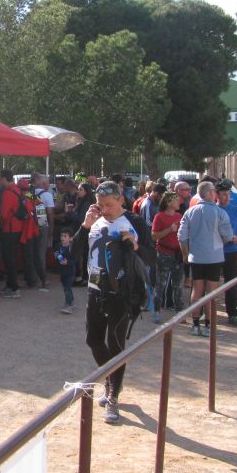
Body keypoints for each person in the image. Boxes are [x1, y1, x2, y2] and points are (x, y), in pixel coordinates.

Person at [72, 181, 154, 424]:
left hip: (123, 292)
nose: (105, 210)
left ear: (121, 200)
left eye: (109, 205)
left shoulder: (135, 221)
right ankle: (111, 379)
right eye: (100, 205)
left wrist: (136, 246)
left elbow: (152, 256)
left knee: (116, 344)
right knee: (93, 340)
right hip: (95, 289)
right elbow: (73, 253)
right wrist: (85, 227)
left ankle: (113, 396)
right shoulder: (94, 220)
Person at [177, 181, 234, 337]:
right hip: (214, 256)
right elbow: (228, 236)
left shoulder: (189, 212)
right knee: (211, 292)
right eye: (214, 191)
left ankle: (195, 325)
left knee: (197, 289)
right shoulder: (220, 213)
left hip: (196, 257)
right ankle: (209, 325)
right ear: (210, 193)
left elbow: (182, 236)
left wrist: (185, 254)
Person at [216, 180, 237, 327]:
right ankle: (206, 311)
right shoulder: (213, 210)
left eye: (228, 194)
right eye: (224, 194)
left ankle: (232, 313)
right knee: (211, 283)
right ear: (217, 195)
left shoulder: (236, 210)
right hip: (215, 251)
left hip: (231, 251)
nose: (227, 197)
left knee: (231, 283)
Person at [151, 192, 184, 324]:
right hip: (163, 253)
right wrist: (169, 230)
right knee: (161, 284)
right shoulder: (159, 217)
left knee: (178, 285)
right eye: (176, 200)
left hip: (177, 254)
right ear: (169, 202)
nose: (179, 202)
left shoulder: (179, 216)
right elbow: (154, 236)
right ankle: (157, 311)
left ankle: (179, 310)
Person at [0, 169, 26, 298]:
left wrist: (0, 223)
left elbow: (4, 214)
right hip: (17, 228)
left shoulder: (7, 193)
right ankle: (10, 285)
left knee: (8, 259)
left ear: (4, 179)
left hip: (9, 229)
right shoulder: (17, 190)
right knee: (11, 258)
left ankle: (14, 288)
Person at [56, 228, 76, 313]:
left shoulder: (72, 248)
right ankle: (71, 301)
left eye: (65, 236)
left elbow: (75, 260)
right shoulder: (58, 245)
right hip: (62, 271)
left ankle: (68, 305)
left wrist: (67, 262)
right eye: (61, 236)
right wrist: (56, 255)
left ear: (70, 238)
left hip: (70, 272)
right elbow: (56, 253)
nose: (62, 238)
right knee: (66, 287)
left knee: (67, 288)